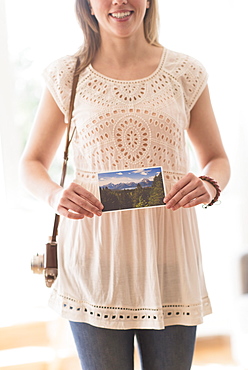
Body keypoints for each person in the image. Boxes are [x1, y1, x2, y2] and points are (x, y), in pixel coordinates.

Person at [19, 0, 230, 369]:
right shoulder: (67, 74)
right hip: (94, 263)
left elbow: (217, 158)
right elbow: (30, 163)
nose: (120, 1)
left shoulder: (185, 71)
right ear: (87, 4)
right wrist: (54, 194)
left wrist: (210, 185)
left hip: (170, 261)